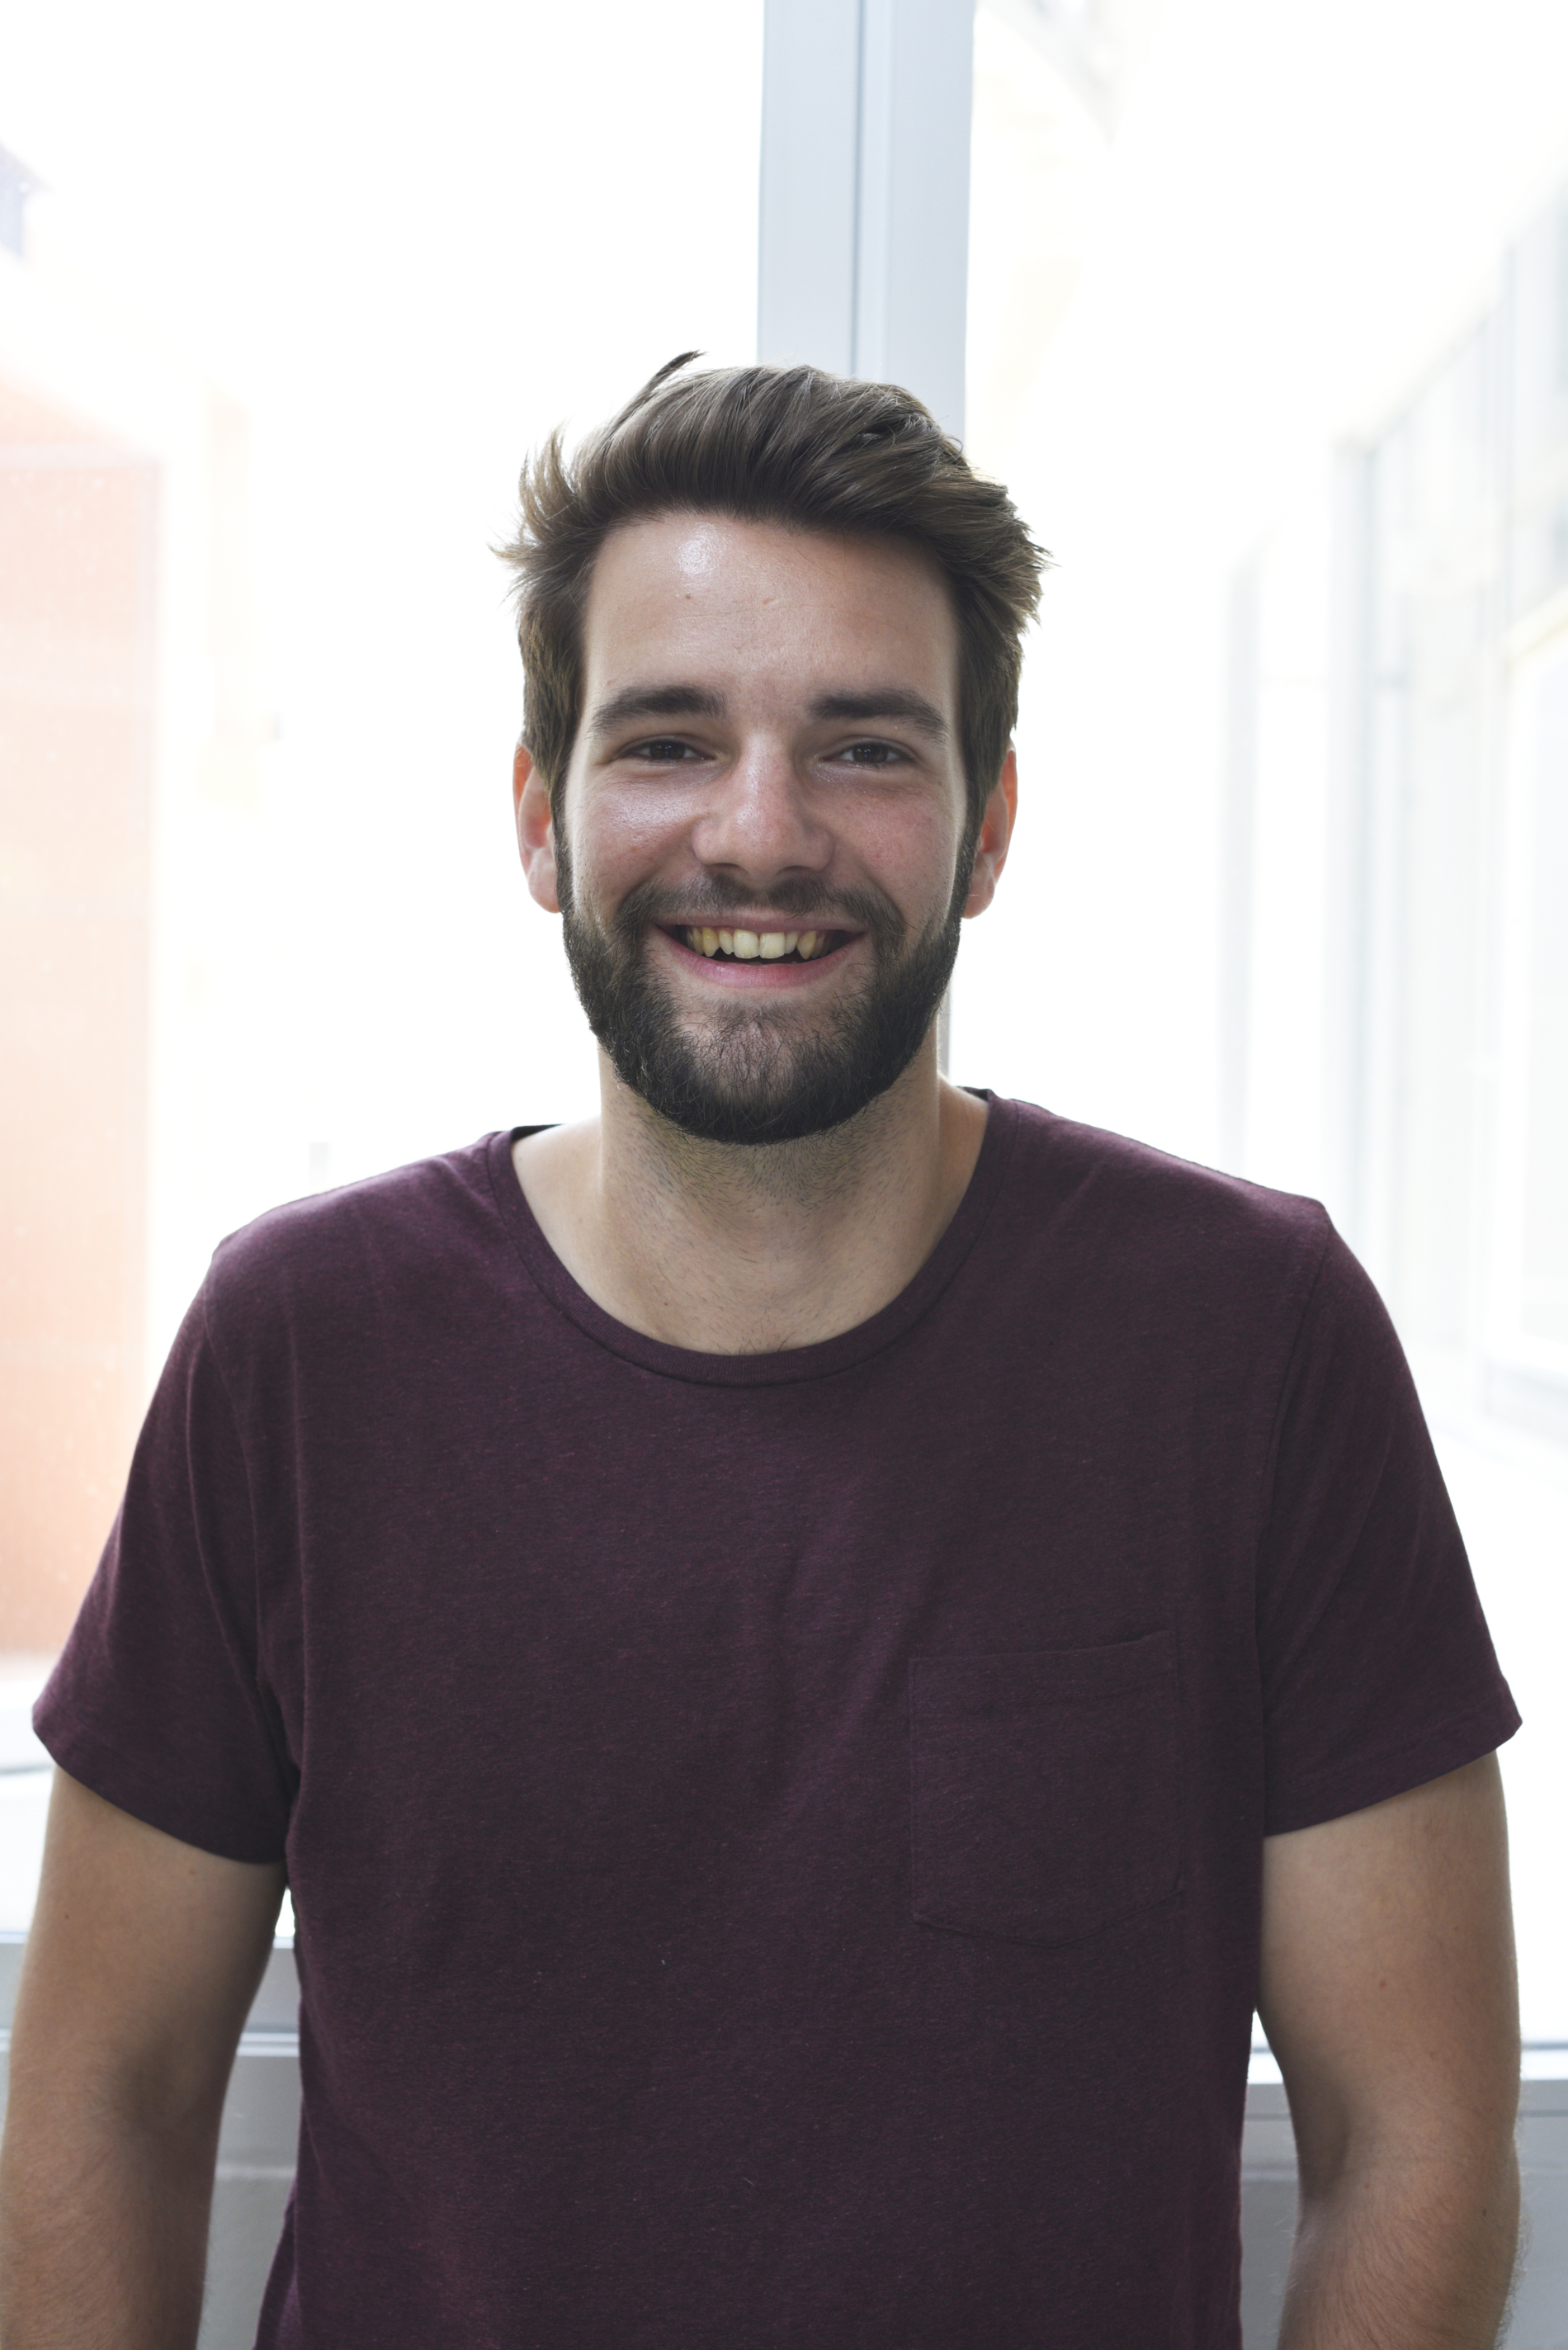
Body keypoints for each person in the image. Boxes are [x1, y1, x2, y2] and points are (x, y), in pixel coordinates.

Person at [0, 358, 1522, 2350]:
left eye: (863, 746)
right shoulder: (297, 1350)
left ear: (986, 824)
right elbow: (104, 2093)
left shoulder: (1249, 1340)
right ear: (541, 817)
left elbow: (1412, 2135)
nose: (758, 830)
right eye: (667, 739)